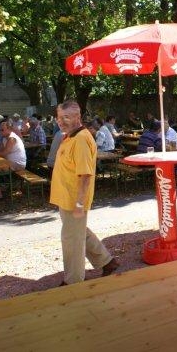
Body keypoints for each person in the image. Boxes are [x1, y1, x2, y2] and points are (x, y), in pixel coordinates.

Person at [49, 100, 119, 286]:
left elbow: (85, 175)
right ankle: (107, 261)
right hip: (66, 198)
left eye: (66, 117)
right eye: (58, 117)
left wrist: (79, 203)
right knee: (79, 233)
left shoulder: (80, 139)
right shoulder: (70, 136)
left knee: (72, 240)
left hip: (73, 200)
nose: (60, 121)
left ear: (77, 117)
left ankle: (73, 282)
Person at [0, 119, 27, 200]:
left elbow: (4, 153)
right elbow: (0, 148)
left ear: (9, 129)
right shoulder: (5, 138)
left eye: (2, 130)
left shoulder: (11, 138)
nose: (0, 131)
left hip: (18, 164)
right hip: (11, 163)